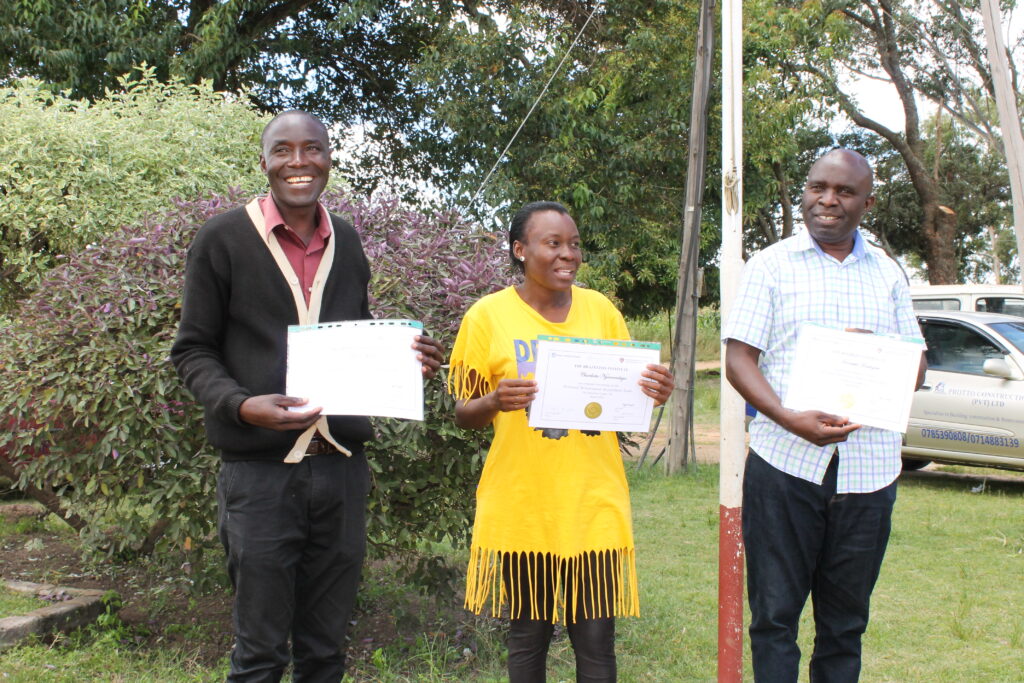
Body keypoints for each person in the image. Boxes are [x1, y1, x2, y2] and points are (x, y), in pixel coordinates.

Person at [170, 110, 444, 682]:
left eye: (312, 149)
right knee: (260, 652)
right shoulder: (222, 238)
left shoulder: (346, 238)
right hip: (260, 475)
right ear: (264, 161)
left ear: (328, 158)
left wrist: (404, 359)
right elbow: (192, 351)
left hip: (340, 470)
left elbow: (353, 333)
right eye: (283, 150)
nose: (299, 162)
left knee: (325, 651)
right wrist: (241, 405)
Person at [722, 148, 927, 683]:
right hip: (784, 465)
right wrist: (787, 417)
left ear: (867, 203)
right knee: (774, 618)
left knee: (845, 625)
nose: (827, 201)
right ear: (805, 192)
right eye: (818, 188)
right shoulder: (770, 265)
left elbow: (917, 367)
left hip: (868, 474)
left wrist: (877, 350)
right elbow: (739, 359)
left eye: (844, 191)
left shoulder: (887, 274)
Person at [448, 201, 674, 682]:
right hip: (524, 503)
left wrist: (653, 390)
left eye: (573, 244)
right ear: (520, 249)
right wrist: (494, 401)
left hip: (593, 499)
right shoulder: (488, 316)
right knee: (527, 638)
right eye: (553, 243)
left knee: (596, 644)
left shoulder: (601, 310)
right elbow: (463, 414)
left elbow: (623, 398)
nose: (567, 254)